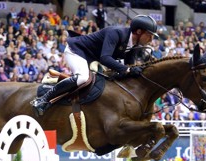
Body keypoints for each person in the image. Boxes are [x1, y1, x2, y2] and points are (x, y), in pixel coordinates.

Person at [31, 15, 159, 115]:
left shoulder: (134, 45)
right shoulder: (116, 33)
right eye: (150, 35)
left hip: (91, 58)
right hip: (77, 51)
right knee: (82, 77)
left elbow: (129, 67)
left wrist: (139, 70)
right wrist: (127, 70)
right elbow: (105, 58)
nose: (151, 40)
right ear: (138, 31)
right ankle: (43, 100)